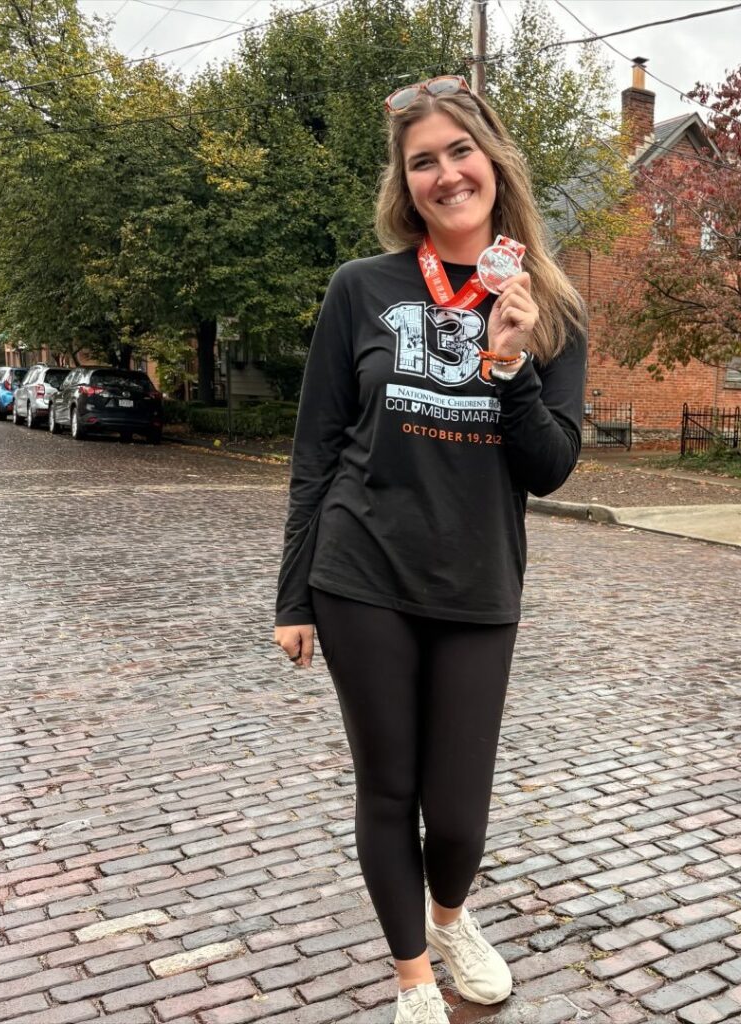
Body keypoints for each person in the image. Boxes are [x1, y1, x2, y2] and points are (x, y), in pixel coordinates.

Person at [273, 74, 586, 1024]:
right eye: (423, 162)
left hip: (479, 580)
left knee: (456, 814)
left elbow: (550, 469)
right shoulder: (361, 288)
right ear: (404, 183)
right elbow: (317, 448)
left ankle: (449, 919)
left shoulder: (552, 305)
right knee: (389, 787)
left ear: (494, 163)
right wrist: (294, 596)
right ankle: (413, 978)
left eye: (459, 151)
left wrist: (511, 363)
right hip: (361, 570)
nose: (445, 174)